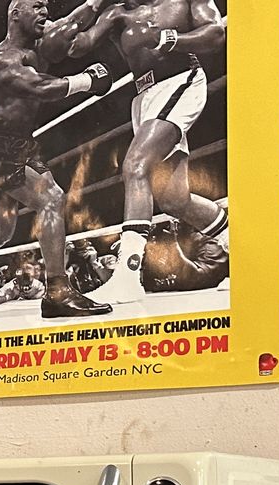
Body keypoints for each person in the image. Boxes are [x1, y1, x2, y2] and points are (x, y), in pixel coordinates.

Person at [0, 0, 118, 319]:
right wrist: (87, 81)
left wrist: (95, 4)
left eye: (46, 6)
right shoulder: (4, 59)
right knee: (52, 199)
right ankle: (58, 292)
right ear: (16, 14)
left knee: (0, 233)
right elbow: (39, 87)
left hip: (12, 144)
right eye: (37, 6)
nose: (45, 11)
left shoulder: (37, 44)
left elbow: (69, 22)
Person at [69, 0, 229, 304]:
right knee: (174, 200)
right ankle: (241, 250)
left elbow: (215, 34)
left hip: (180, 81)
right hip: (144, 98)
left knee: (136, 165)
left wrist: (168, 39)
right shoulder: (116, 13)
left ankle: (128, 277)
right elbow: (79, 45)